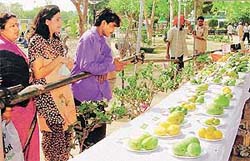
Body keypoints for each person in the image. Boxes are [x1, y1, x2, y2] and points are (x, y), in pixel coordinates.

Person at [71, 8, 126, 150]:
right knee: (88, 141)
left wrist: (106, 67)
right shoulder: (88, 38)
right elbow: (87, 65)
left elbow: (108, 59)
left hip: (97, 96)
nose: (113, 30)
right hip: (84, 96)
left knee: (100, 140)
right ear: (103, 23)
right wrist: (109, 67)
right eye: (112, 25)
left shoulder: (102, 39)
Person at [28, 5, 76, 161]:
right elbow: (38, 73)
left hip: (62, 94)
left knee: (66, 138)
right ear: (47, 21)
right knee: (54, 141)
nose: (60, 22)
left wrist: (67, 65)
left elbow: (61, 70)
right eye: (57, 19)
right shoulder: (36, 41)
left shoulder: (56, 41)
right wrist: (58, 61)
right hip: (47, 96)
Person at [0, 12, 40, 161]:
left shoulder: (11, 45)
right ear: (1, 29)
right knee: (16, 150)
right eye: (12, 25)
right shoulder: (3, 47)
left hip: (24, 107)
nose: (17, 28)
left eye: (17, 25)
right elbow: (7, 81)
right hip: (16, 110)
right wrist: (7, 108)